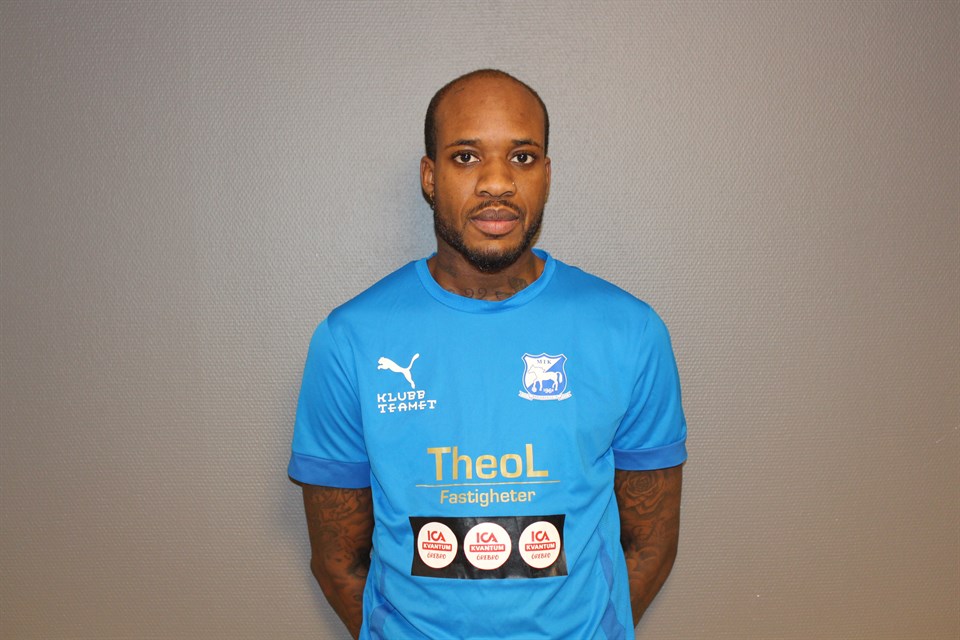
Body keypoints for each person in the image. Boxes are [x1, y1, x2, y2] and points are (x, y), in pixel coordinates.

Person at [288, 69, 687, 640]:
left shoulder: (630, 331)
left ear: (546, 175)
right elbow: (338, 562)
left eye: (522, 158)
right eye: (466, 157)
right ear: (430, 177)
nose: (497, 182)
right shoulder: (351, 339)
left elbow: (649, 545)